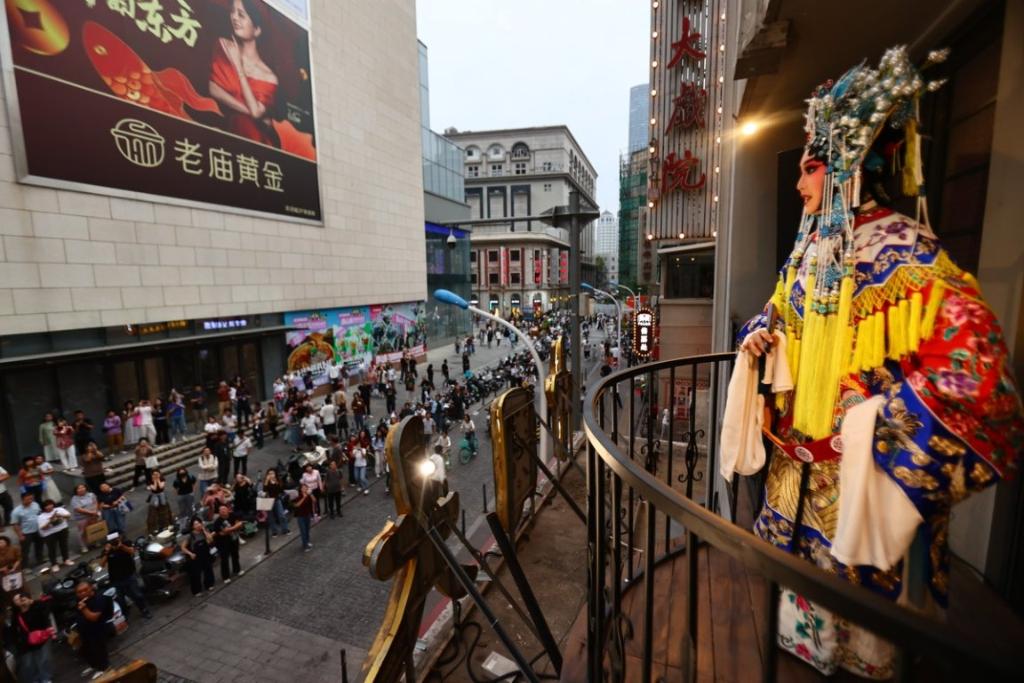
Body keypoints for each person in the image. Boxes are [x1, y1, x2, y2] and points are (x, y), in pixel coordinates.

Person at [725, 47, 1024, 678]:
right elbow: (773, 316)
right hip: (793, 473)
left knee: (867, 643)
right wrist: (758, 340)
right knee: (799, 630)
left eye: (811, 168)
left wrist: (876, 431)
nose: (801, 184)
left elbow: (982, 381)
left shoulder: (912, 256)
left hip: (861, 478)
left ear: (848, 167)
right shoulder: (807, 254)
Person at [209, 0, 279, 145]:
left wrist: (239, 68)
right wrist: (250, 112)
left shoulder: (269, 76)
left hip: (257, 141)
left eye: (241, 14)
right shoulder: (224, 46)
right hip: (225, 135)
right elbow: (213, 89)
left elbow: (256, 112)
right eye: (232, 12)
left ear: (257, 30)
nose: (234, 17)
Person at [9, 589, 55, 683]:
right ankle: (36, 679)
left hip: (42, 637)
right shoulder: (16, 615)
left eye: (20, 598)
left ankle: (46, 678)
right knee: (29, 663)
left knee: (44, 659)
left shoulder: (36, 606)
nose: (19, 601)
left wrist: (33, 602)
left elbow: (46, 610)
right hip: (26, 642)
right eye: (16, 600)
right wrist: (17, 642)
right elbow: (13, 630)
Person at [101, 534, 151, 620]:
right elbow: (101, 564)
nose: (114, 542)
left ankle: (144, 610)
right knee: (120, 600)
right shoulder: (107, 549)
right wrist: (106, 552)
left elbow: (132, 551)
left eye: (116, 539)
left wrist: (122, 546)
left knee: (137, 595)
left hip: (129, 575)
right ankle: (124, 615)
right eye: (112, 541)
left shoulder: (126, 543)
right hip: (115, 579)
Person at [74, 580, 113, 678]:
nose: (83, 593)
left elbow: (94, 617)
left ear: (91, 588)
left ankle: (104, 668)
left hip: (97, 629)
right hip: (85, 630)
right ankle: (93, 665)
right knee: (86, 649)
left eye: (85, 590)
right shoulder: (80, 600)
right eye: (79, 592)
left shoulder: (99, 598)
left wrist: (84, 608)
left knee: (98, 649)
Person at [180, 517, 216, 596]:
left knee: (208, 570)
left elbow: (210, 540)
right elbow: (183, 547)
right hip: (195, 557)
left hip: (205, 554)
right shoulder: (190, 536)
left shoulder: (204, 532)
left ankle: (209, 585)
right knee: (196, 574)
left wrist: (204, 530)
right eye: (196, 524)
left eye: (199, 523)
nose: (198, 525)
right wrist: (190, 554)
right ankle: (197, 591)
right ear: (192, 526)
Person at [37, 499, 73, 573]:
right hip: (49, 534)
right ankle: (54, 564)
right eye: (47, 506)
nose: (49, 506)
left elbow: (69, 516)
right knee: (52, 549)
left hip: (62, 529)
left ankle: (66, 559)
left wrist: (60, 515)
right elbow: (42, 527)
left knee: (64, 545)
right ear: (43, 507)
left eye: (50, 504)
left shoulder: (59, 509)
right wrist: (50, 520)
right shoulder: (41, 516)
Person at [11, 493, 44, 573]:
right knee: (25, 551)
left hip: (38, 530)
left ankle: (40, 560)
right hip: (26, 533)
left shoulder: (35, 504)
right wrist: (20, 535)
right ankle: (25, 567)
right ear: (22, 499)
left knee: (39, 546)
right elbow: (15, 524)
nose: (30, 501)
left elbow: (39, 514)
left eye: (31, 499)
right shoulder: (16, 511)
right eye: (28, 499)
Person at [211, 505, 243, 583]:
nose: (223, 511)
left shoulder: (232, 515)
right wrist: (234, 528)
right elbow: (222, 533)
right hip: (222, 543)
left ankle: (237, 570)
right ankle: (226, 577)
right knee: (224, 559)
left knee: (235, 555)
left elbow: (239, 524)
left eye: (224, 509)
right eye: (221, 510)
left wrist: (230, 529)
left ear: (228, 510)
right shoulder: (217, 522)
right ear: (219, 513)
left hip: (233, 539)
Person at [70, 484, 100, 555]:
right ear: (76, 491)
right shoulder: (74, 498)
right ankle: (83, 546)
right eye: (79, 488)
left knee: (94, 529)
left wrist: (95, 511)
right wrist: (91, 512)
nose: (81, 489)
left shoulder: (91, 494)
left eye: (83, 487)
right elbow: (78, 509)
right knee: (82, 532)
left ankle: (95, 542)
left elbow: (95, 502)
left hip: (93, 515)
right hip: (82, 517)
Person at [262, 470, 289, 536]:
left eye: (272, 473)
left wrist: (277, 483)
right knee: (271, 517)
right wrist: (267, 481)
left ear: (275, 474)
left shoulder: (278, 480)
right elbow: (264, 490)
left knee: (281, 515)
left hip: (276, 500)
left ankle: (285, 529)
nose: (271, 475)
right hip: (268, 501)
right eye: (269, 474)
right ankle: (274, 531)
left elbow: (281, 490)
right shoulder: (266, 482)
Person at [146, 470, 173, 535]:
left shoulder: (162, 479)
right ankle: (154, 529)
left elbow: (161, 486)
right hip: (154, 495)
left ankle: (167, 525)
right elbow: (154, 488)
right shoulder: (149, 481)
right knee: (154, 506)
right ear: (152, 475)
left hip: (161, 494)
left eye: (157, 474)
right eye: (154, 474)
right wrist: (155, 481)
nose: (155, 476)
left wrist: (158, 479)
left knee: (164, 505)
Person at [293, 484, 314, 551]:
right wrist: (303, 498)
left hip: (307, 515)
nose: (305, 489)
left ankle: (307, 542)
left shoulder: (308, 495)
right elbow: (296, 505)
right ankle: (305, 546)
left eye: (306, 488)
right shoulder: (298, 496)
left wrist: (311, 494)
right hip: (300, 516)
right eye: (303, 488)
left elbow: (314, 501)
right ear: (301, 489)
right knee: (303, 531)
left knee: (307, 530)